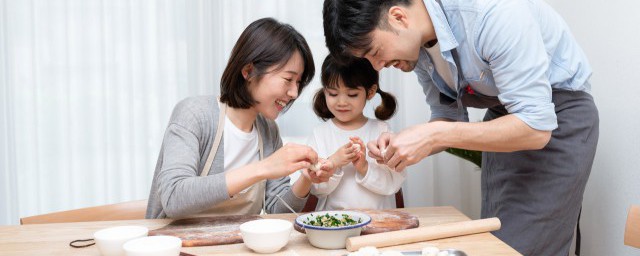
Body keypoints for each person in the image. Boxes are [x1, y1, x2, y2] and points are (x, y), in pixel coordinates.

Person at [322, 0, 599, 255]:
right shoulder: (416, 48)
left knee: (523, 247)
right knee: (494, 244)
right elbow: (448, 117)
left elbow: (536, 128)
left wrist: (433, 135)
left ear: (398, 17)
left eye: (375, 53)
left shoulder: (492, 14)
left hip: (558, 122)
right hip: (504, 124)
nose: (378, 67)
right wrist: (404, 142)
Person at [146, 17, 335, 219]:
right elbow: (174, 197)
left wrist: (305, 179)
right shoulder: (194, 115)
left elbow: (276, 210)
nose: (294, 93)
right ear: (248, 71)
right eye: (288, 79)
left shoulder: (268, 130)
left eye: (298, 82)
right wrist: (263, 168)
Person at [308, 55, 405, 211]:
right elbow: (316, 188)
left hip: (379, 224)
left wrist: (365, 168)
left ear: (371, 92)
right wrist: (334, 163)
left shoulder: (382, 131)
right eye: (333, 94)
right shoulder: (320, 134)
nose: (341, 102)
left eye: (352, 95)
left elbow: (394, 183)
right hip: (335, 226)